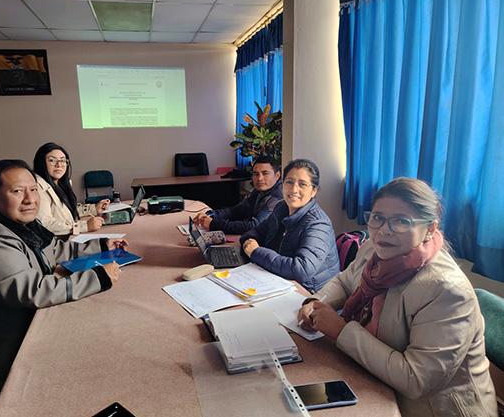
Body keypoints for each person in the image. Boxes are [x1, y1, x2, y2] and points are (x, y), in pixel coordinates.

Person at [298, 177, 497, 417]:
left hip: (431, 408)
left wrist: (341, 330)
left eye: (401, 221)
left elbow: (416, 380)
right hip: (373, 380)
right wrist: (315, 303)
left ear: (430, 229)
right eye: (378, 218)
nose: (384, 230)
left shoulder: (446, 291)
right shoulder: (373, 248)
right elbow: (344, 281)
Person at [0, 160, 127, 397]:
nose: (30, 199)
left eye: (33, 189)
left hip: (11, 337)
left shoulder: (17, 223)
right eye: (17, 191)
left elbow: (54, 250)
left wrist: (101, 246)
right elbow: (35, 291)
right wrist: (99, 277)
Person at [240, 159, 339, 292]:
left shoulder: (319, 224)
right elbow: (257, 231)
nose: (294, 189)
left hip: (311, 294)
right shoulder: (282, 207)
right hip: (280, 281)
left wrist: (256, 252)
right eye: (289, 182)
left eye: (302, 184)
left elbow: (301, 270)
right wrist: (248, 240)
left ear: (314, 191)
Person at [33, 142, 109, 236]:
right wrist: (84, 226)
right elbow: (45, 225)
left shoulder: (60, 183)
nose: (59, 164)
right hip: (57, 242)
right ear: (40, 163)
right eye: (52, 160)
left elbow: (68, 211)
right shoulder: (37, 187)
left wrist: (94, 208)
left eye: (63, 160)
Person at [193, 155, 283, 234]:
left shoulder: (278, 198)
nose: (260, 178)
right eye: (256, 174)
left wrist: (213, 224)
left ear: (277, 175)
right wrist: (211, 215)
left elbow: (254, 226)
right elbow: (235, 211)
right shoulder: (259, 191)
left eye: (265, 173)